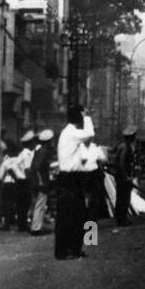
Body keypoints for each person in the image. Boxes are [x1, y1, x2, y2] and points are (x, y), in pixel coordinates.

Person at [54, 105, 94, 260]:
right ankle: (64, 251)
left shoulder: (69, 133)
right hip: (69, 178)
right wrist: (87, 117)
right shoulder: (71, 133)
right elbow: (90, 132)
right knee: (68, 215)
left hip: (72, 177)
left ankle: (73, 249)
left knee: (76, 215)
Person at [29, 130, 53, 235]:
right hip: (41, 181)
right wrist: (41, 181)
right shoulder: (43, 151)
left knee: (39, 204)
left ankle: (38, 225)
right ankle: (36, 228)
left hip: (36, 180)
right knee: (40, 204)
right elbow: (37, 167)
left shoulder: (38, 150)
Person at [114, 127, 137, 227]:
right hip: (123, 177)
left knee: (122, 198)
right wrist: (126, 177)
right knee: (124, 198)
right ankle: (122, 219)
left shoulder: (123, 146)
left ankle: (122, 218)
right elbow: (122, 163)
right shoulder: (125, 147)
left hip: (121, 176)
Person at [14, 131, 35, 232]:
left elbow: (12, 167)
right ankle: (23, 225)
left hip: (20, 181)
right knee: (25, 203)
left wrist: (17, 176)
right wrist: (30, 181)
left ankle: (21, 224)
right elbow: (27, 169)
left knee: (20, 204)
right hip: (25, 181)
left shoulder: (21, 153)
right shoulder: (27, 154)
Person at [0, 141, 19, 231]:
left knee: (7, 203)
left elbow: (0, 177)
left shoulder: (6, 162)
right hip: (20, 185)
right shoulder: (19, 160)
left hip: (8, 185)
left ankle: (7, 222)